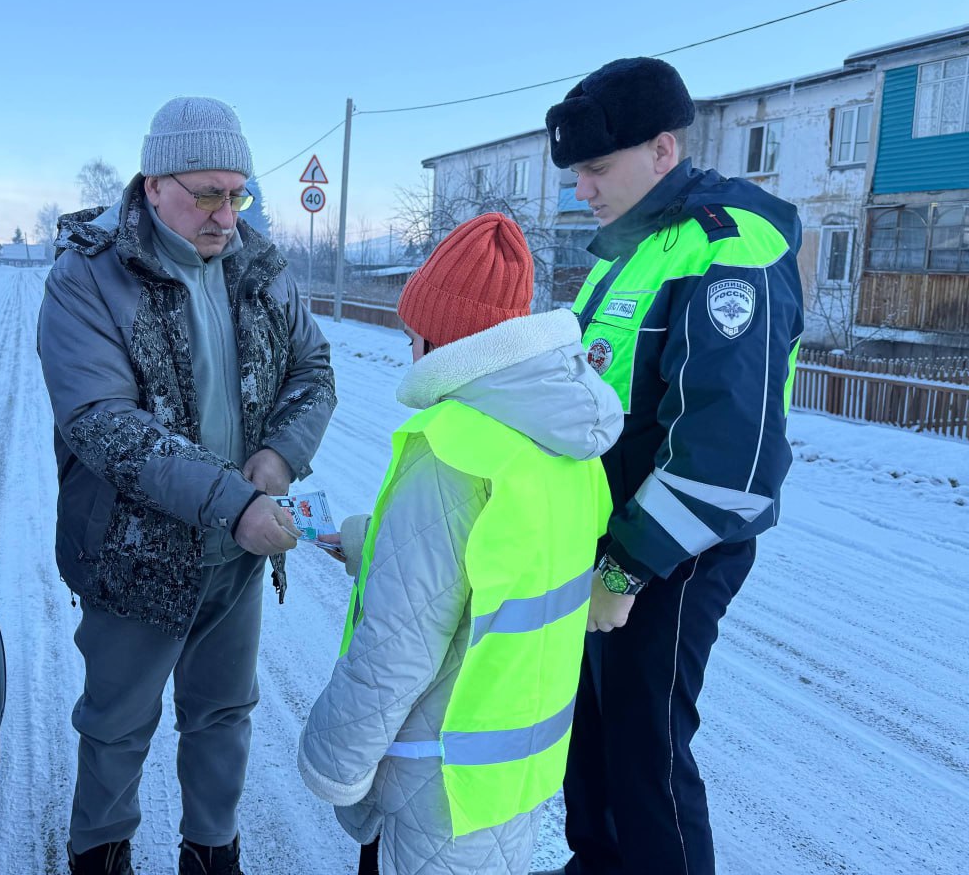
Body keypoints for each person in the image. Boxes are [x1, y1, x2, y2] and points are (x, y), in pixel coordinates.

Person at [38, 96, 337, 875]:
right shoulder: (90, 276)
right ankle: (99, 856)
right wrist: (237, 503)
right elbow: (104, 423)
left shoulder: (257, 263)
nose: (226, 215)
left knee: (224, 718)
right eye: (208, 192)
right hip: (133, 559)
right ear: (153, 183)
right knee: (116, 726)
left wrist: (274, 459)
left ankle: (213, 855)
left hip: (232, 565)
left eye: (237, 193)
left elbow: (314, 368)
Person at [536, 58, 805, 875]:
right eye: (577, 171)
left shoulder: (730, 248)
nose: (582, 188)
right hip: (612, 537)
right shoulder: (637, 248)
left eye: (596, 168)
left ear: (662, 149)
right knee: (592, 731)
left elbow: (731, 452)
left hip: (674, 551)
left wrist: (626, 571)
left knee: (647, 744)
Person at [298, 213, 624, 874]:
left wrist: (332, 763)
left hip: (434, 774)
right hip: (515, 764)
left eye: (412, 332)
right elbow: (498, 566)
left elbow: (399, 641)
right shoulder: (561, 443)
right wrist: (368, 541)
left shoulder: (453, 448)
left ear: (439, 339)